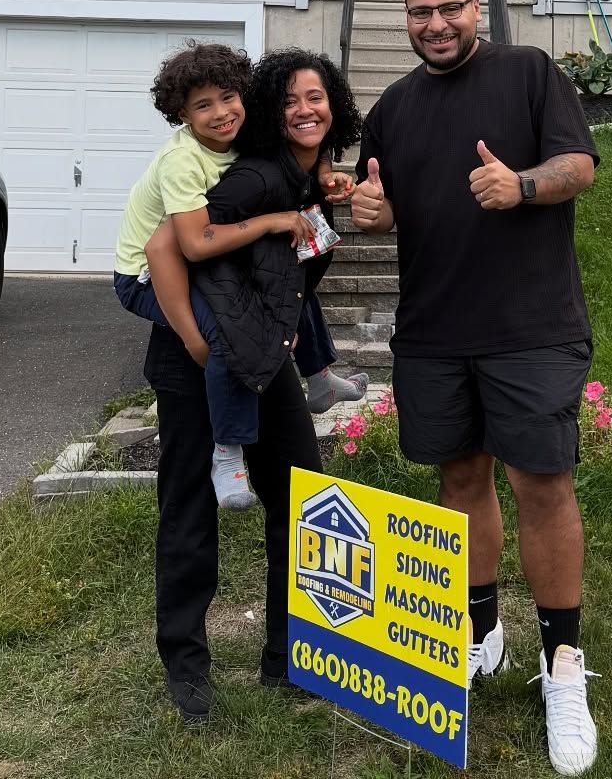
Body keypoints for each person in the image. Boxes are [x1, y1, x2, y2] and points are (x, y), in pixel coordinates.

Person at [351, 0, 601, 777]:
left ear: (472, 7)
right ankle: (478, 632)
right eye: (419, 13)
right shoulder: (391, 110)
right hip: (433, 331)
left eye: (448, 7)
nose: (435, 24)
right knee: (460, 480)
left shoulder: (528, 72)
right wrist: (369, 210)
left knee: (542, 482)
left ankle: (562, 664)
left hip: (531, 326)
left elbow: (580, 167)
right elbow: (381, 206)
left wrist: (520, 183)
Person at [141, 48, 363, 720]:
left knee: (298, 500)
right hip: (199, 360)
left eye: (316, 96)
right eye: (291, 98)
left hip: (262, 361)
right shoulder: (253, 180)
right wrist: (209, 338)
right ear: (273, 107)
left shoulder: (306, 182)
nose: (305, 109)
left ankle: (288, 659)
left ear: (336, 106)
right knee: (190, 507)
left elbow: (292, 270)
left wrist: (287, 323)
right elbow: (168, 248)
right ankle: (188, 671)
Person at [112, 44, 364, 510]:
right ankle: (226, 455)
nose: (222, 113)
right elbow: (175, 247)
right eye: (203, 106)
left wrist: (327, 173)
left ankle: (320, 372)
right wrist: (193, 340)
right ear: (181, 114)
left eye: (229, 98)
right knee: (226, 339)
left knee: (291, 284)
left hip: (203, 263)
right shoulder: (184, 161)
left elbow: (307, 140)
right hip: (147, 274)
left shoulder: (245, 133)